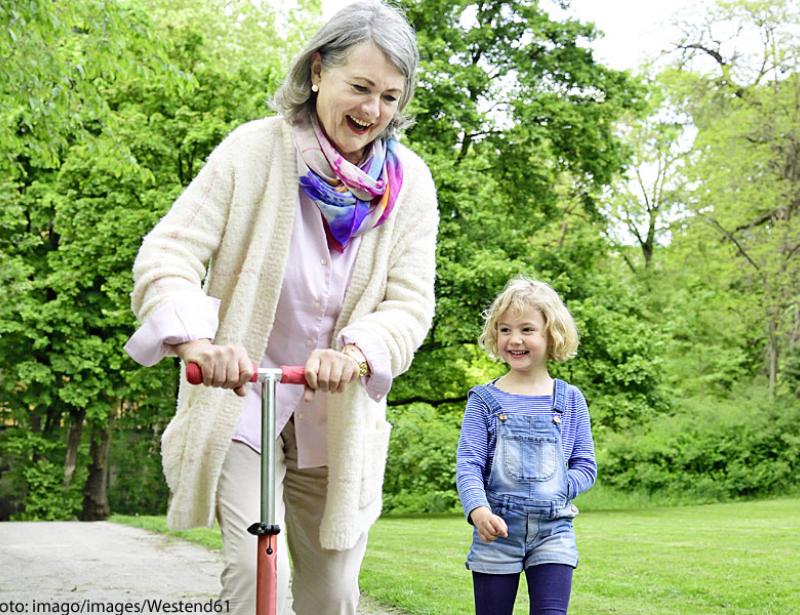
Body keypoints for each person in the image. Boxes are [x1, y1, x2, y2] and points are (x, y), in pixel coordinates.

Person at [123, 2, 438, 614]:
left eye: (390, 96)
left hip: (337, 417)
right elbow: (169, 253)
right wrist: (199, 343)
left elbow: (409, 303)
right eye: (360, 87)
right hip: (244, 400)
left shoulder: (410, 185)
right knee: (253, 571)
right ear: (318, 71)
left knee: (331, 596)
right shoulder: (254, 151)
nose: (373, 110)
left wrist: (357, 352)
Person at [455, 277, 597, 615]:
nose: (514, 339)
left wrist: (559, 489)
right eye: (505, 330)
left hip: (554, 531)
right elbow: (469, 464)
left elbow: (585, 466)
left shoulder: (570, 400)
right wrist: (478, 511)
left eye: (527, 330)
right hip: (497, 531)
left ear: (552, 335)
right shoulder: (484, 401)